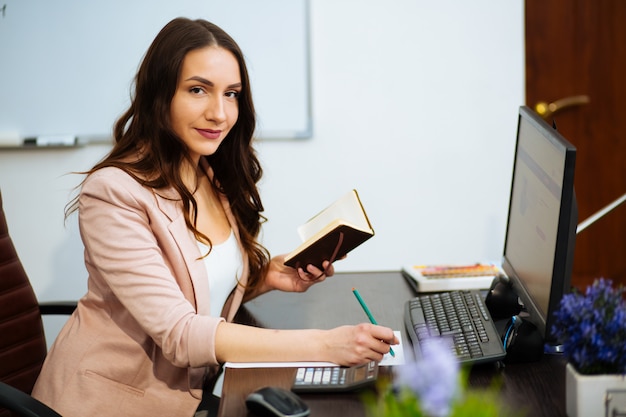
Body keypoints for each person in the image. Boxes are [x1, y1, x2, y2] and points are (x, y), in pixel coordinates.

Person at [31, 17, 397, 417]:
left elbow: (197, 287)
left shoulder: (207, 172)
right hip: (112, 401)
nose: (219, 113)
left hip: (197, 389)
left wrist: (267, 277)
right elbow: (181, 332)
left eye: (232, 94)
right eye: (198, 90)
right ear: (160, 93)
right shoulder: (113, 192)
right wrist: (326, 345)